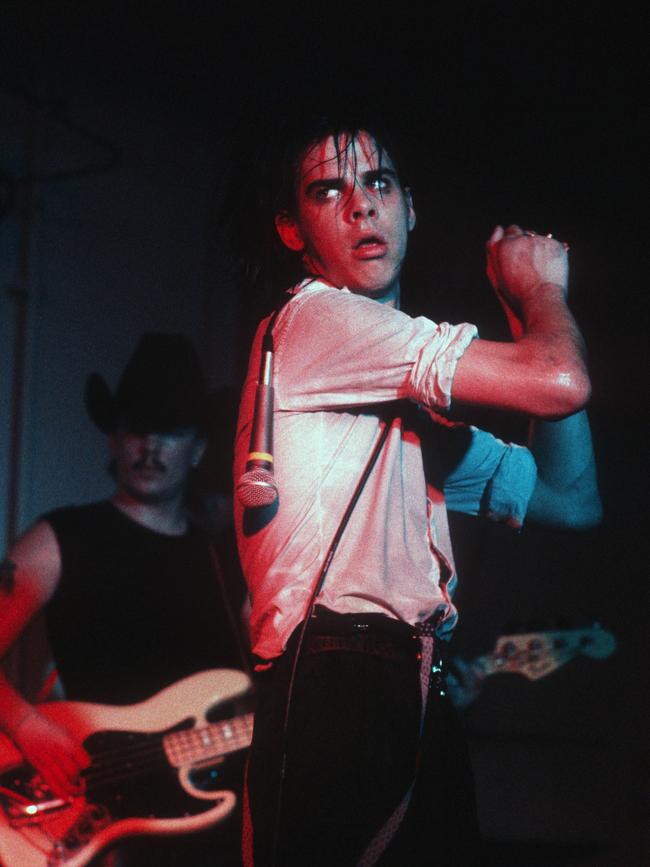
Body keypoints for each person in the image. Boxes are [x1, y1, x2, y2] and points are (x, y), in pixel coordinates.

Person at [233, 119, 602, 866]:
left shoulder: (401, 407)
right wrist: (540, 291)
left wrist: (522, 317)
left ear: (409, 207)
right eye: (327, 190)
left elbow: (571, 496)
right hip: (338, 689)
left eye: (379, 183)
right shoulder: (319, 320)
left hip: (411, 688)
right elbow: (560, 378)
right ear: (292, 229)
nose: (361, 206)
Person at [0, 333, 248, 866]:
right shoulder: (60, 538)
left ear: (199, 448)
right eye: (137, 427)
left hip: (210, 827)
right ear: (113, 438)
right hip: (91, 820)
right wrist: (27, 726)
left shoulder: (227, 560)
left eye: (171, 431)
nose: (151, 447)